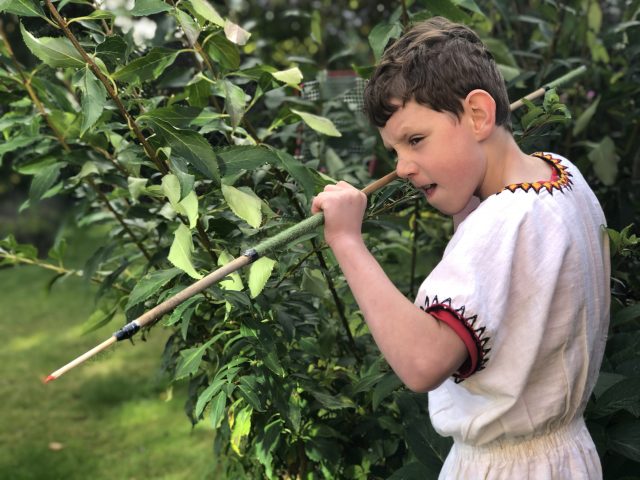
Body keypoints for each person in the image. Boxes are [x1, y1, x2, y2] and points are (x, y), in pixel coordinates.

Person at [311, 16, 610, 480]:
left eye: (415, 140)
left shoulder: (500, 224)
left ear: (477, 115)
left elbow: (422, 362)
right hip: (567, 456)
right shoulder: (560, 177)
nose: (404, 167)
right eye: (395, 152)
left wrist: (347, 241)